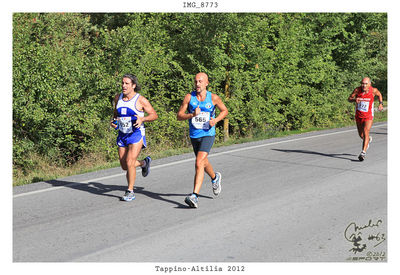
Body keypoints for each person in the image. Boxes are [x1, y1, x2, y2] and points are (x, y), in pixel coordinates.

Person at [177, 72, 228, 208]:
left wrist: (215, 120)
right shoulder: (189, 97)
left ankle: (195, 196)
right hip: (194, 135)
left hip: (208, 134)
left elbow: (224, 111)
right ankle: (215, 177)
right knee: (203, 162)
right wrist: (192, 114)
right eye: (196, 82)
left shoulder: (214, 98)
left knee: (198, 162)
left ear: (206, 83)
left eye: (200, 81)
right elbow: (179, 116)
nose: (197, 84)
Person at [111, 74, 158, 201]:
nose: (123, 86)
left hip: (136, 134)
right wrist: (114, 121)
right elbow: (116, 113)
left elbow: (154, 115)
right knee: (124, 166)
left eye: (126, 83)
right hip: (122, 134)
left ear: (133, 85)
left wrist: (142, 118)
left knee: (130, 162)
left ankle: (130, 191)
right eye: (122, 83)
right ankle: (144, 163)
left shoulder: (140, 100)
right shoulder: (117, 98)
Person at [348, 77, 383, 161]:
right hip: (359, 115)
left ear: (369, 84)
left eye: (365, 84)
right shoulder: (357, 90)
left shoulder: (373, 90)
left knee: (366, 131)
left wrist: (380, 104)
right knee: (361, 135)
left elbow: (379, 95)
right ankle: (368, 140)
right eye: (362, 83)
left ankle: (363, 153)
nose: (363, 85)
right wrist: (354, 100)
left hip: (368, 116)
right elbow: (349, 99)